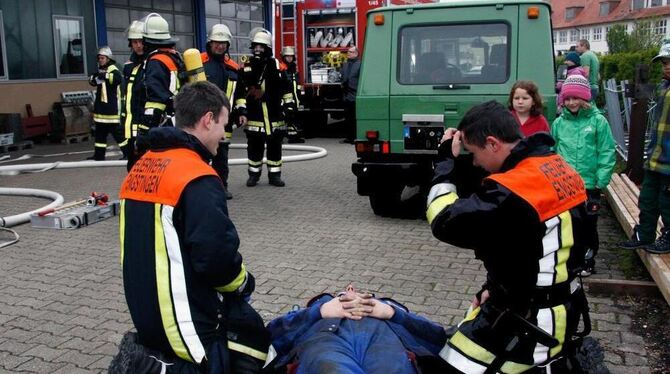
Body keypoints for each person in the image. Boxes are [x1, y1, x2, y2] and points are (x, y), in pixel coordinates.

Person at [426, 101, 591, 373]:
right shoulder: (554, 165)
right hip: (558, 306)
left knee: (448, 365)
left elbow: (444, 220)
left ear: (492, 143)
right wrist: (497, 285)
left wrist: (445, 161)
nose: (475, 161)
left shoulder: (512, 193)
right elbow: (523, 245)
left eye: (474, 152)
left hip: (529, 322)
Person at [118, 81, 269, 372]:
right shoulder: (197, 176)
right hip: (186, 324)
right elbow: (215, 257)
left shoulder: (142, 165)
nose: (224, 136)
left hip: (147, 314)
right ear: (207, 119)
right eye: (223, 125)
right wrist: (243, 283)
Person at [265, 284, 449, 373]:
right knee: (330, 368)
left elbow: (438, 339)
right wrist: (319, 311)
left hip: (383, 341)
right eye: (343, 293)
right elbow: (270, 335)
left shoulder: (388, 309)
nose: (351, 289)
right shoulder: (318, 310)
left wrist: (392, 312)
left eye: (358, 291)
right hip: (326, 340)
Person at [552, 74, 616, 276]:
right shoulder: (559, 123)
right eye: (567, 99)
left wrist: (601, 179)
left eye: (575, 98)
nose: (571, 102)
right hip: (565, 185)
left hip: (589, 184)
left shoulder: (598, 122)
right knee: (568, 224)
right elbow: (553, 150)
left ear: (585, 98)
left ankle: (587, 259)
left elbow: (606, 150)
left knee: (588, 225)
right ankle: (569, 260)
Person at [620, 40, 670, 254]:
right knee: (648, 199)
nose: (666, 67)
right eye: (664, 63)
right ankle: (645, 233)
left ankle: (668, 236)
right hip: (655, 159)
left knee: (667, 203)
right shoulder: (663, 88)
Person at [240, 28, 294, 187]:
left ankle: (274, 175)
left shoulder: (276, 65)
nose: (258, 50)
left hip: (274, 114)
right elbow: (241, 90)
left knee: (275, 146)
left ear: (268, 48)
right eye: (255, 46)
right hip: (255, 114)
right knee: (254, 147)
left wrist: (289, 106)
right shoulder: (247, 65)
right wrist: (242, 109)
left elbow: (286, 87)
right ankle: (253, 175)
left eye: (261, 47)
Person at [201, 23, 247, 200]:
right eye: (216, 42)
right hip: (201, 119)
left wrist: (242, 111)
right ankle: (200, 189)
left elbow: (240, 93)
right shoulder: (198, 63)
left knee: (221, 157)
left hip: (223, 121)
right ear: (210, 43)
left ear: (228, 45)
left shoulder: (233, 67)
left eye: (223, 43)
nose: (219, 46)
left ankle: (222, 187)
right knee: (201, 156)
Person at [136, 13, 186, 161]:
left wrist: (144, 132)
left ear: (147, 40)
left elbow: (156, 101)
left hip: (164, 125)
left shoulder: (155, 62)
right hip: (179, 120)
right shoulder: (174, 56)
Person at [88, 46, 128, 161]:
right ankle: (99, 155)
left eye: (102, 58)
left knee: (117, 134)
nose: (100, 60)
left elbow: (117, 79)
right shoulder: (100, 70)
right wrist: (94, 77)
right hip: (101, 109)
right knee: (100, 134)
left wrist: (104, 75)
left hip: (111, 109)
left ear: (108, 59)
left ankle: (127, 153)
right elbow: (92, 81)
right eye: (99, 58)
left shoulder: (113, 69)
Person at [120, 20, 146, 170]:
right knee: (133, 167)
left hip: (146, 125)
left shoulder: (153, 63)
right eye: (135, 42)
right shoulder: (128, 67)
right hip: (130, 126)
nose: (138, 45)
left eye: (141, 41)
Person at [280, 46, 305, 144]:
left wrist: (299, 96)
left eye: (291, 56)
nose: (289, 58)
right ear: (283, 57)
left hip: (294, 99)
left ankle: (293, 137)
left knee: (293, 118)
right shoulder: (281, 68)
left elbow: (296, 84)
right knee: (283, 118)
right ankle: (278, 137)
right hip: (285, 99)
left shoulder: (293, 68)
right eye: (287, 56)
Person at [340, 46, 360, 144]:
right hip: (347, 95)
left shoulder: (360, 64)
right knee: (348, 118)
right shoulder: (345, 65)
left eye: (351, 52)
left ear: (356, 53)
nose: (348, 53)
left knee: (355, 118)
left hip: (356, 95)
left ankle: (355, 137)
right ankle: (349, 137)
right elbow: (343, 77)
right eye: (348, 52)